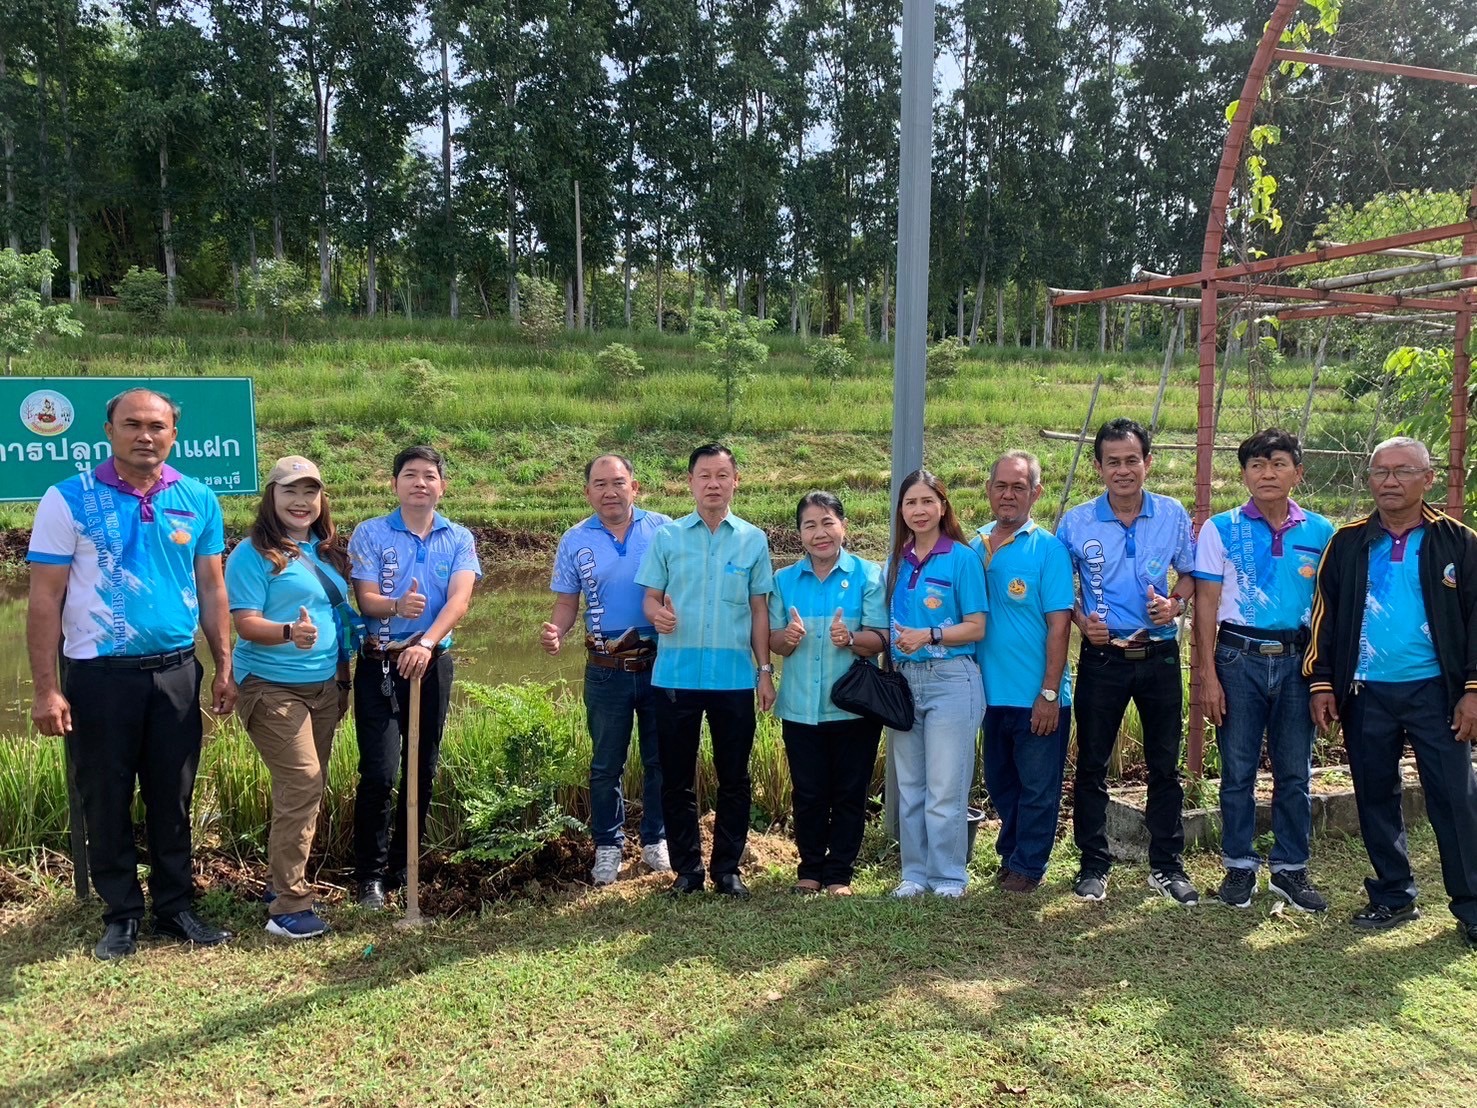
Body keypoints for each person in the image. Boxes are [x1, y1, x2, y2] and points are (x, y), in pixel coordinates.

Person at [26, 388, 235, 960]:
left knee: (174, 793)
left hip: (174, 673)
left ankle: (175, 907)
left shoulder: (196, 498)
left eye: (158, 426)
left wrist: (224, 665)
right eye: (133, 424)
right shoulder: (67, 499)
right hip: (99, 677)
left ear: (174, 433)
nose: (146, 435)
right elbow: (44, 601)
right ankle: (121, 913)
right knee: (106, 795)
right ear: (109, 430)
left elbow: (213, 588)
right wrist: (47, 688)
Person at [1305, 436, 1477, 947]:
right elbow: (1324, 616)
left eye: (1403, 472)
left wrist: (1472, 689)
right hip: (1366, 692)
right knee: (1375, 793)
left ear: (1428, 479)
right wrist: (1321, 681)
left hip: (1437, 692)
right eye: (1381, 472)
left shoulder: (1459, 543)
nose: (1390, 482)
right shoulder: (1349, 542)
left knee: (1455, 797)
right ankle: (1393, 894)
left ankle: (1471, 906)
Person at [1056, 418, 1197, 905]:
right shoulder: (1075, 522)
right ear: (1098, 466)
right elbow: (1058, 591)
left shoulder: (1173, 514)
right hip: (1102, 657)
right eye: (1112, 461)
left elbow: (1192, 574)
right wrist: (1080, 621)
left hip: (1159, 655)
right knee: (1092, 765)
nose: (1122, 470)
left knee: (1164, 765)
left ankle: (1167, 865)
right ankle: (1094, 863)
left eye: (1131, 460)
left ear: (1147, 463)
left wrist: (1175, 604)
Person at [1194, 430, 1334, 913]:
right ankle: (1238, 866)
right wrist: (1208, 676)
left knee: (1295, 772)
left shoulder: (1321, 532)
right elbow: (1206, 607)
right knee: (1237, 771)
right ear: (1244, 474)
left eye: (1278, 463)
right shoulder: (1219, 528)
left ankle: (1290, 870)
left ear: (1298, 471)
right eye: (1256, 465)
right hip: (1237, 659)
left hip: (1298, 663)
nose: (1267, 473)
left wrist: (1323, 677)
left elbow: (1328, 609)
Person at [636, 443, 775, 899]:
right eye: (704, 476)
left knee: (734, 776)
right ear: (690, 482)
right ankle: (688, 871)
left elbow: (759, 611)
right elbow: (650, 598)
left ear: (736, 481)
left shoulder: (753, 540)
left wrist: (765, 671)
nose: (713, 484)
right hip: (675, 678)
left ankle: (728, 869)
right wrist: (658, 615)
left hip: (733, 678)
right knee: (676, 777)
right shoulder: (668, 537)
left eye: (722, 475)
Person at [225, 456, 353, 939]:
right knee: (303, 782)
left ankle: (281, 882)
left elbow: (337, 614)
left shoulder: (325, 550)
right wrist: (287, 632)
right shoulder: (252, 553)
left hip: (324, 687)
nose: (301, 502)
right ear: (271, 498)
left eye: (310, 493)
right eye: (289, 492)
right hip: (270, 685)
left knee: (303, 788)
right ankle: (289, 905)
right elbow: (245, 622)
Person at [348, 445, 481, 910]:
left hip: (431, 661)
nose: (419, 483)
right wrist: (397, 608)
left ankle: (406, 869)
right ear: (395, 484)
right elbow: (366, 600)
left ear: (442, 486)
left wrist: (426, 643)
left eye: (429, 476)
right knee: (380, 772)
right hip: (380, 661)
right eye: (410, 475)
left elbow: (459, 600)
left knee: (422, 768)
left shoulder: (459, 537)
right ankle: (369, 876)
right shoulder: (370, 533)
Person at [543, 454, 673, 885]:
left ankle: (657, 838)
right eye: (600, 484)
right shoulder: (574, 539)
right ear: (588, 492)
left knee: (662, 759)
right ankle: (608, 846)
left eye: (618, 482)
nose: (610, 491)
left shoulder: (663, 529)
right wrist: (557, 631)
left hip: (660, 663)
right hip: (605, 667)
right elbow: (566, 603)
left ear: (635, 486)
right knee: (605, 764)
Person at [768, 491, 888, 896]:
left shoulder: (869, 576)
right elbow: (773, 642)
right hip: (801, 707)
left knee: (850, 793)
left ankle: (839, 874)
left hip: (855, 709)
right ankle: (810, 869)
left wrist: (851, 638)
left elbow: (881, 639)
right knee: (809, 792)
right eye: (809, 525)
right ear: (799, 533)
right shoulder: (783, 581)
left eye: (827, 523)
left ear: (843, 527)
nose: (820, 533)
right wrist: (787, 637)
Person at [970, 452, 1074, 894]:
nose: (1008, 495)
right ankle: (1010, 855)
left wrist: (1048, 692)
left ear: (1036, 492)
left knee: (1037, 787)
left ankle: (1028, 867)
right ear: (989, 489)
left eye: (1018, 487)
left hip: (1036, 694)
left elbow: (1060, 625)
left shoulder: (1048, 549)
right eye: (1001, 486)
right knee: (1000, 782)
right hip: (984, 695)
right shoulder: (971, 545)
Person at [886, 470, 986, 899]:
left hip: (952, 681)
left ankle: (948, 876)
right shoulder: (898, 559)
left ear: (943, 507)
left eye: (928, 501)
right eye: (911, 503)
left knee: (946, 785)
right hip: (906, 684)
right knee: (911, 786)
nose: (919, 510)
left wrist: (930, 635)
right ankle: (915, 873)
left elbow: (977, 627)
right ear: (902, 511)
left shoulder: (962, 558)